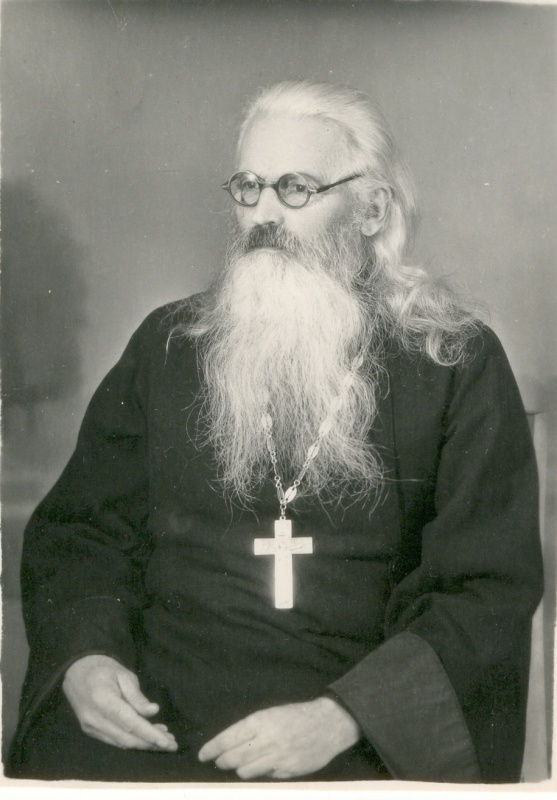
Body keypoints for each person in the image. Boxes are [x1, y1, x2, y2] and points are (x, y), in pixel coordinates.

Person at [8, 80, 543, 784]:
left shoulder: (453, 359)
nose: (262, 214)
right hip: (154, 726)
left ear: (371, 209)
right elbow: (82, 533)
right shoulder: (169, 344)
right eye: (249, 187)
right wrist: (87, 658)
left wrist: (341, 718)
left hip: (352, 739)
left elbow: (484, 586)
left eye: (295, 189)